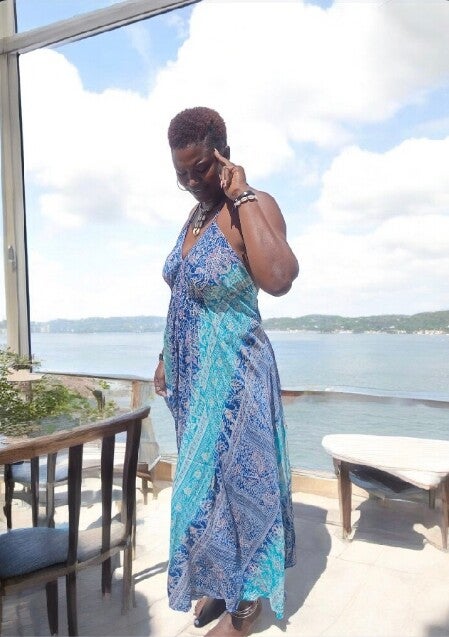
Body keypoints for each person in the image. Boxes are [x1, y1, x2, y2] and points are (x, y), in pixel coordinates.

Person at [154, 106, 299, 637]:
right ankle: (219, 580)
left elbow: (279, 278)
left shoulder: (252, 205)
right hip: (194, 384)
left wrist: (241, 195)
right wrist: (165, 356)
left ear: (224, 154)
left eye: (201, 169)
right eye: (182, 174)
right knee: (204, 490)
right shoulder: (194, 217)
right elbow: (183, 295)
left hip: (237, 376)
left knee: (241, 490)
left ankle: (246, 607)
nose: (193, 181)